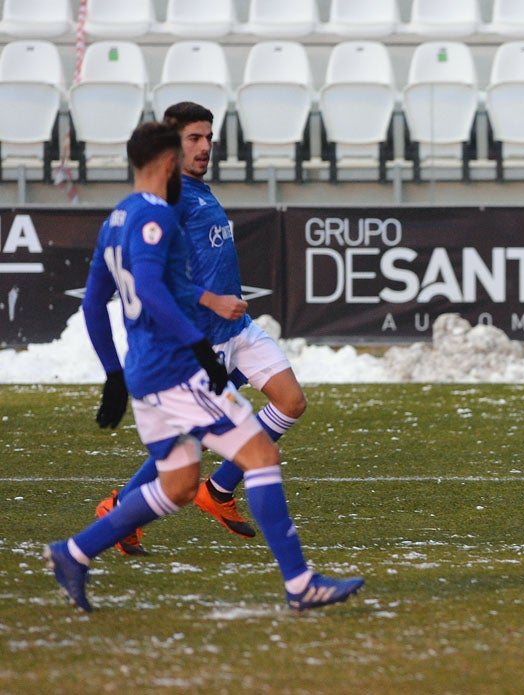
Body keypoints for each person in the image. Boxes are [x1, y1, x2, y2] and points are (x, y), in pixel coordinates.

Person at [45, 121, 363, 612]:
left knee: (175, 486)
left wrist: (113, 374)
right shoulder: (158, 217)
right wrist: (198, 349)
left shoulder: (116, 219)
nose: (201, 151)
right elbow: (151, 288)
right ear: (169, 162)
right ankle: (300, 584)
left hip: (148, 372)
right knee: (259, 457)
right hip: (175, 368)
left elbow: (93, 303)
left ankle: (74, 552)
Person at [95, 101, 308, 555]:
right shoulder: (166, 203)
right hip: (203, 336)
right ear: (172, 145)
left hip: (237, 328)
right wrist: (208, 301)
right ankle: (119, 509)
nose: (206, 146)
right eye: (195, 138)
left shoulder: (199, 189)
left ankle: (220, 490)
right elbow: (156, 277)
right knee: (186, 441)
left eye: (209, 137)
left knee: (291, 401)